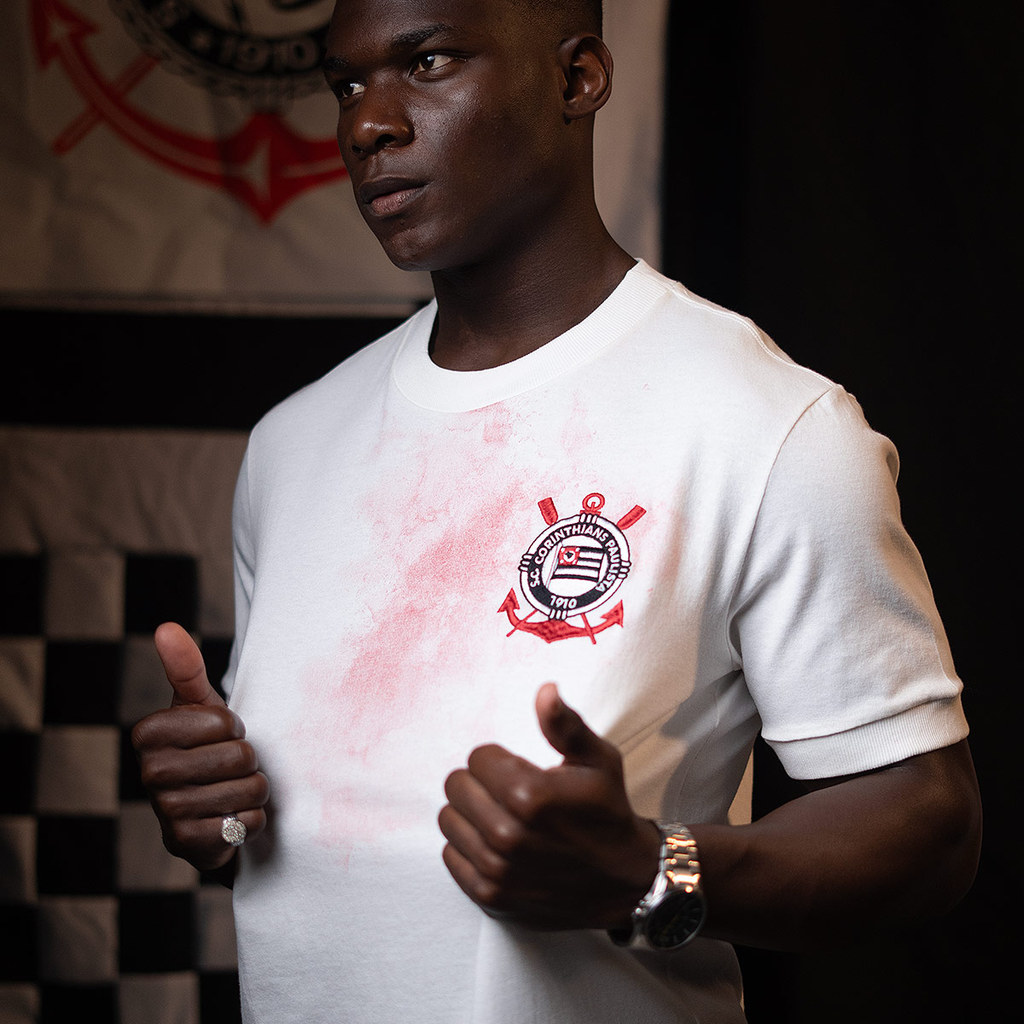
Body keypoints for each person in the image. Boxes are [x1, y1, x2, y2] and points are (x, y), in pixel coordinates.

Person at [131, 1, 982, 1021]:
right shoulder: (294, 442)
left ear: (578, 80)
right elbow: (330, 862)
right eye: (346, 85)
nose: (368, 124)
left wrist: (652, 873)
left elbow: (928, 829)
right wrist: (221, 813)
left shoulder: (767, 423)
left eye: (426, 63)